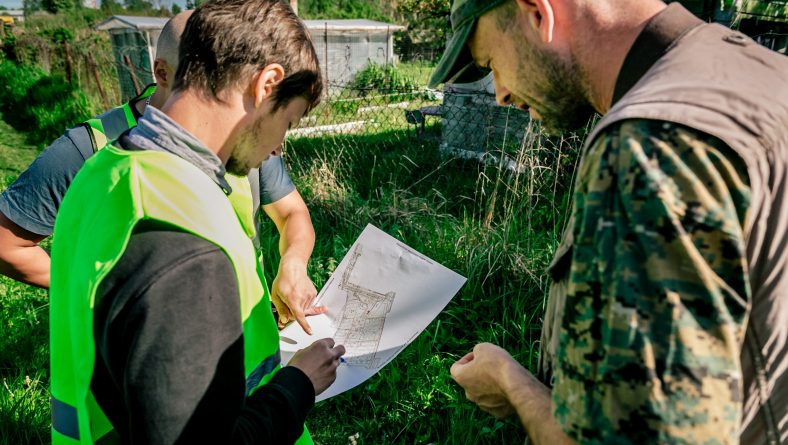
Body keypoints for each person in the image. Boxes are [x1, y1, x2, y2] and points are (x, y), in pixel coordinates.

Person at [429, 0, 787, 443]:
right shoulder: (765, 73)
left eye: (491, 61)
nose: (500, 92)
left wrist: (510, 383)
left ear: (537, 13)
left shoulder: (646, 146)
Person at [48, 1, 344, 443]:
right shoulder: (183, 245)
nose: (281, 146)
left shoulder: (105, 172)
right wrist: (295, 385)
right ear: (267, 84)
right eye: (289, 121)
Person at [0, 10, 320, 333]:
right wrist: (103, 290)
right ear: (162, 73)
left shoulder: (247, 142)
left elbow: (292, 212)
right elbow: (6, 244)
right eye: (198, 81)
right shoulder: (91, 147)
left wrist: (293, 262)